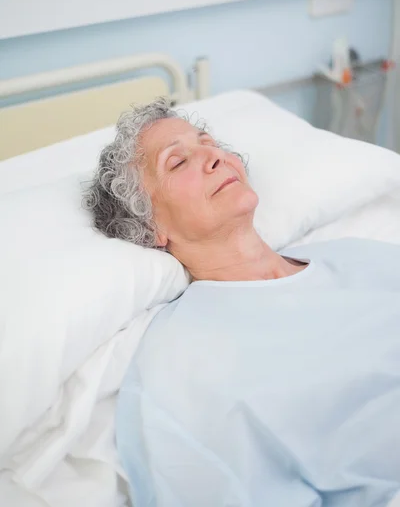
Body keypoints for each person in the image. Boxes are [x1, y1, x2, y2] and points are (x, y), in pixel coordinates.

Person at [85, 98, 400, 507]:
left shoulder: (357, 254)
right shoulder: (180, 370)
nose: (214, 157)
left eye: (209, 142)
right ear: (148, 227)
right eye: (177, 163)